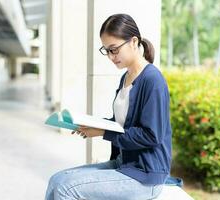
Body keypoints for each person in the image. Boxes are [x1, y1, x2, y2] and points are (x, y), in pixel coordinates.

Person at [45, 13, 172, 200]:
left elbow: (151, 135)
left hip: (145, 176)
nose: (111, 57)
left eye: (114, 49)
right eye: (106, 51)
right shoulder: (126, 77)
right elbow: (121, 123)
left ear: (133, 42)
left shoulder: (152, 80)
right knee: (57, 180)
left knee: (66, 188)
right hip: (124, 163)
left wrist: (103, 133)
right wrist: (93, 125)